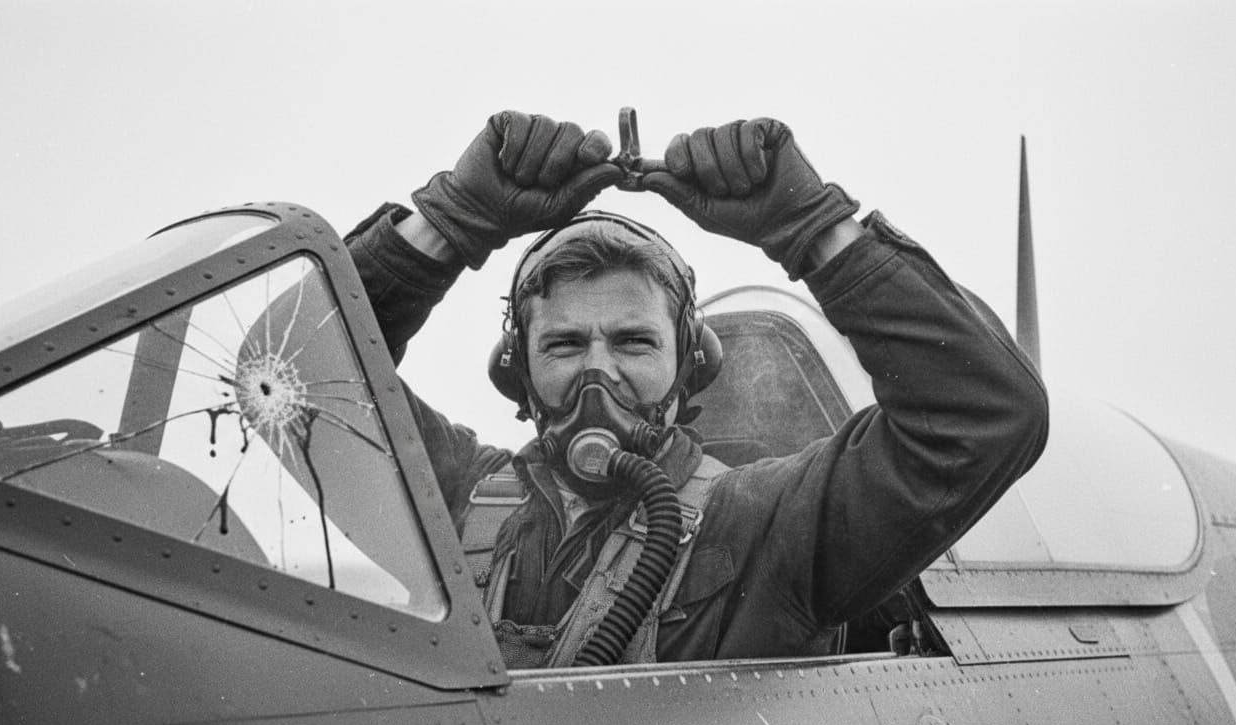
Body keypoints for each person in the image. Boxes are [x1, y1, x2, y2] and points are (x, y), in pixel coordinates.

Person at [344, 110, 1048, 668]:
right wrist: (445, 224)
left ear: (689, 367)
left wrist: (814, 231)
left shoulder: (769, 525)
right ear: (518, 371)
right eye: (563, 344)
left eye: (634, 341)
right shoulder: (457, 498)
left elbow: (985, 415)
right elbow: (281, 378)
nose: (600, 373)